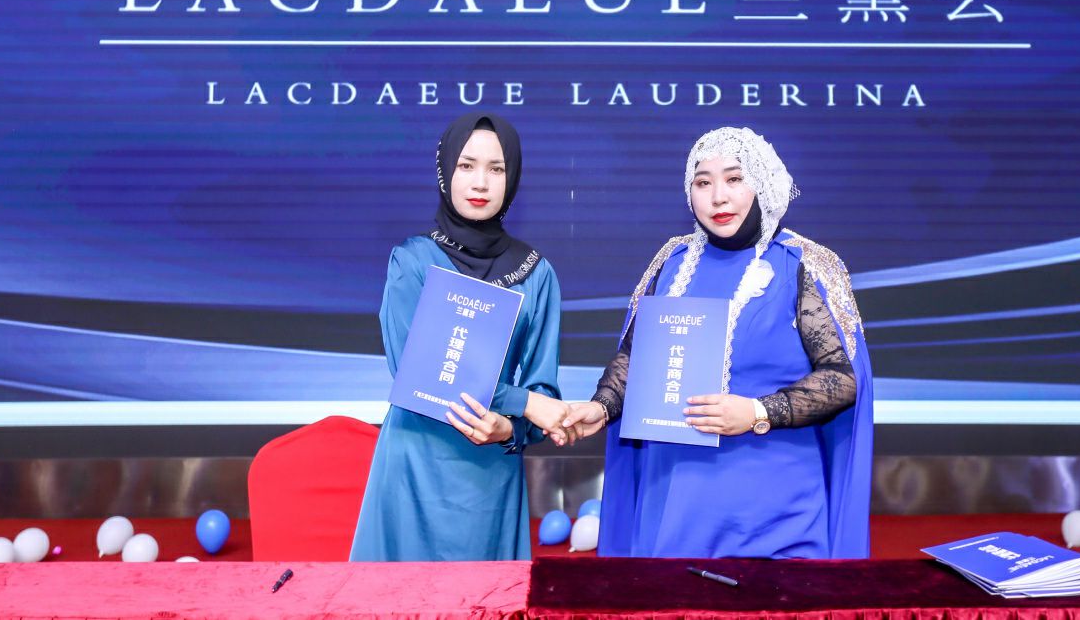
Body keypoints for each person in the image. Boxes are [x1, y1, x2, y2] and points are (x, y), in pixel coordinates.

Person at [560, 126, 873, 558]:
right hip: (673, 501)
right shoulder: (672, 262)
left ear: (762, 183)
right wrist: (600, 407)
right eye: (703, 182)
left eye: (734, 179)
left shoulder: (803, 264)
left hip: (776, 507)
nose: (718, 197)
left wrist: (758, 412)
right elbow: (635, 357)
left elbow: (843, 378)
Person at [350, 113, 570, 561]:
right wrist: (523, 403)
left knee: (485, 595)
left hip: (488, 470)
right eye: (466, 165)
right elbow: (419, 372)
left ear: (513, 177)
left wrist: (510, 427)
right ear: (445, 171)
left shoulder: (537, 274)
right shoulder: (412, 261)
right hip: (414, 463)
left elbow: (544, 391)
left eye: (496, 168)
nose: (480, 182)